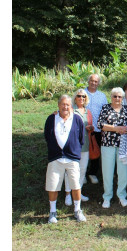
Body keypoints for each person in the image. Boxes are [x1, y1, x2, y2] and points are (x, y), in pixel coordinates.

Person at [44, 95, 86, 223]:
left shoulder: (77, 119)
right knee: (53, 186)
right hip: (55, 158)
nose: (65, 107)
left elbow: (81, 138)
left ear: (71, 106)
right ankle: (52, 212)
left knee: (76, 185)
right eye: (63, 104)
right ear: (58, 105)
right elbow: (47, 135)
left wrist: (73, 150)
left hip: (72, 158)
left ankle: (77, 210)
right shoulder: (51, 118)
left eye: (67, 104)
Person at [97, 87, 127, 209]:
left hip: (122, 145)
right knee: (107, 172)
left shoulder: (126, 110)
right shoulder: (106, 108)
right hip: (108, 144)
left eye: (119, 97)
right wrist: (116, 128)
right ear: (111, 97)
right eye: (115, 96)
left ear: (122, 98)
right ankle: (107, 197)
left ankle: (121, 195)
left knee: (123, 172)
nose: (117, 99)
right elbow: (100, 125)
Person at [63, 89, 93, 206]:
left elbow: (90, 125)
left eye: (84, 96)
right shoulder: (70, 110)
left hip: (85, 145)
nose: (81, 98)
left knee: (82, 170)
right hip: (73, 146)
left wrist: (91, 127)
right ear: (75, 98)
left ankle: (78, 193)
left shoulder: (88, 112)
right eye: (79, 96)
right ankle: (67, 194)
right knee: (70, 171)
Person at [85, 74, 108, 185]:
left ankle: (92, 173)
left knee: (96, 152)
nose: (93, 83)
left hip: (98, 129)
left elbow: (105, 112)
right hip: (84, 128)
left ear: (98, 83)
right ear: (88, 81)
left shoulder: (102, 96)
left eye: (96, 81)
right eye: (92, 81)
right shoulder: (82, 94)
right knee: (83, 152)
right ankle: (82, 173)